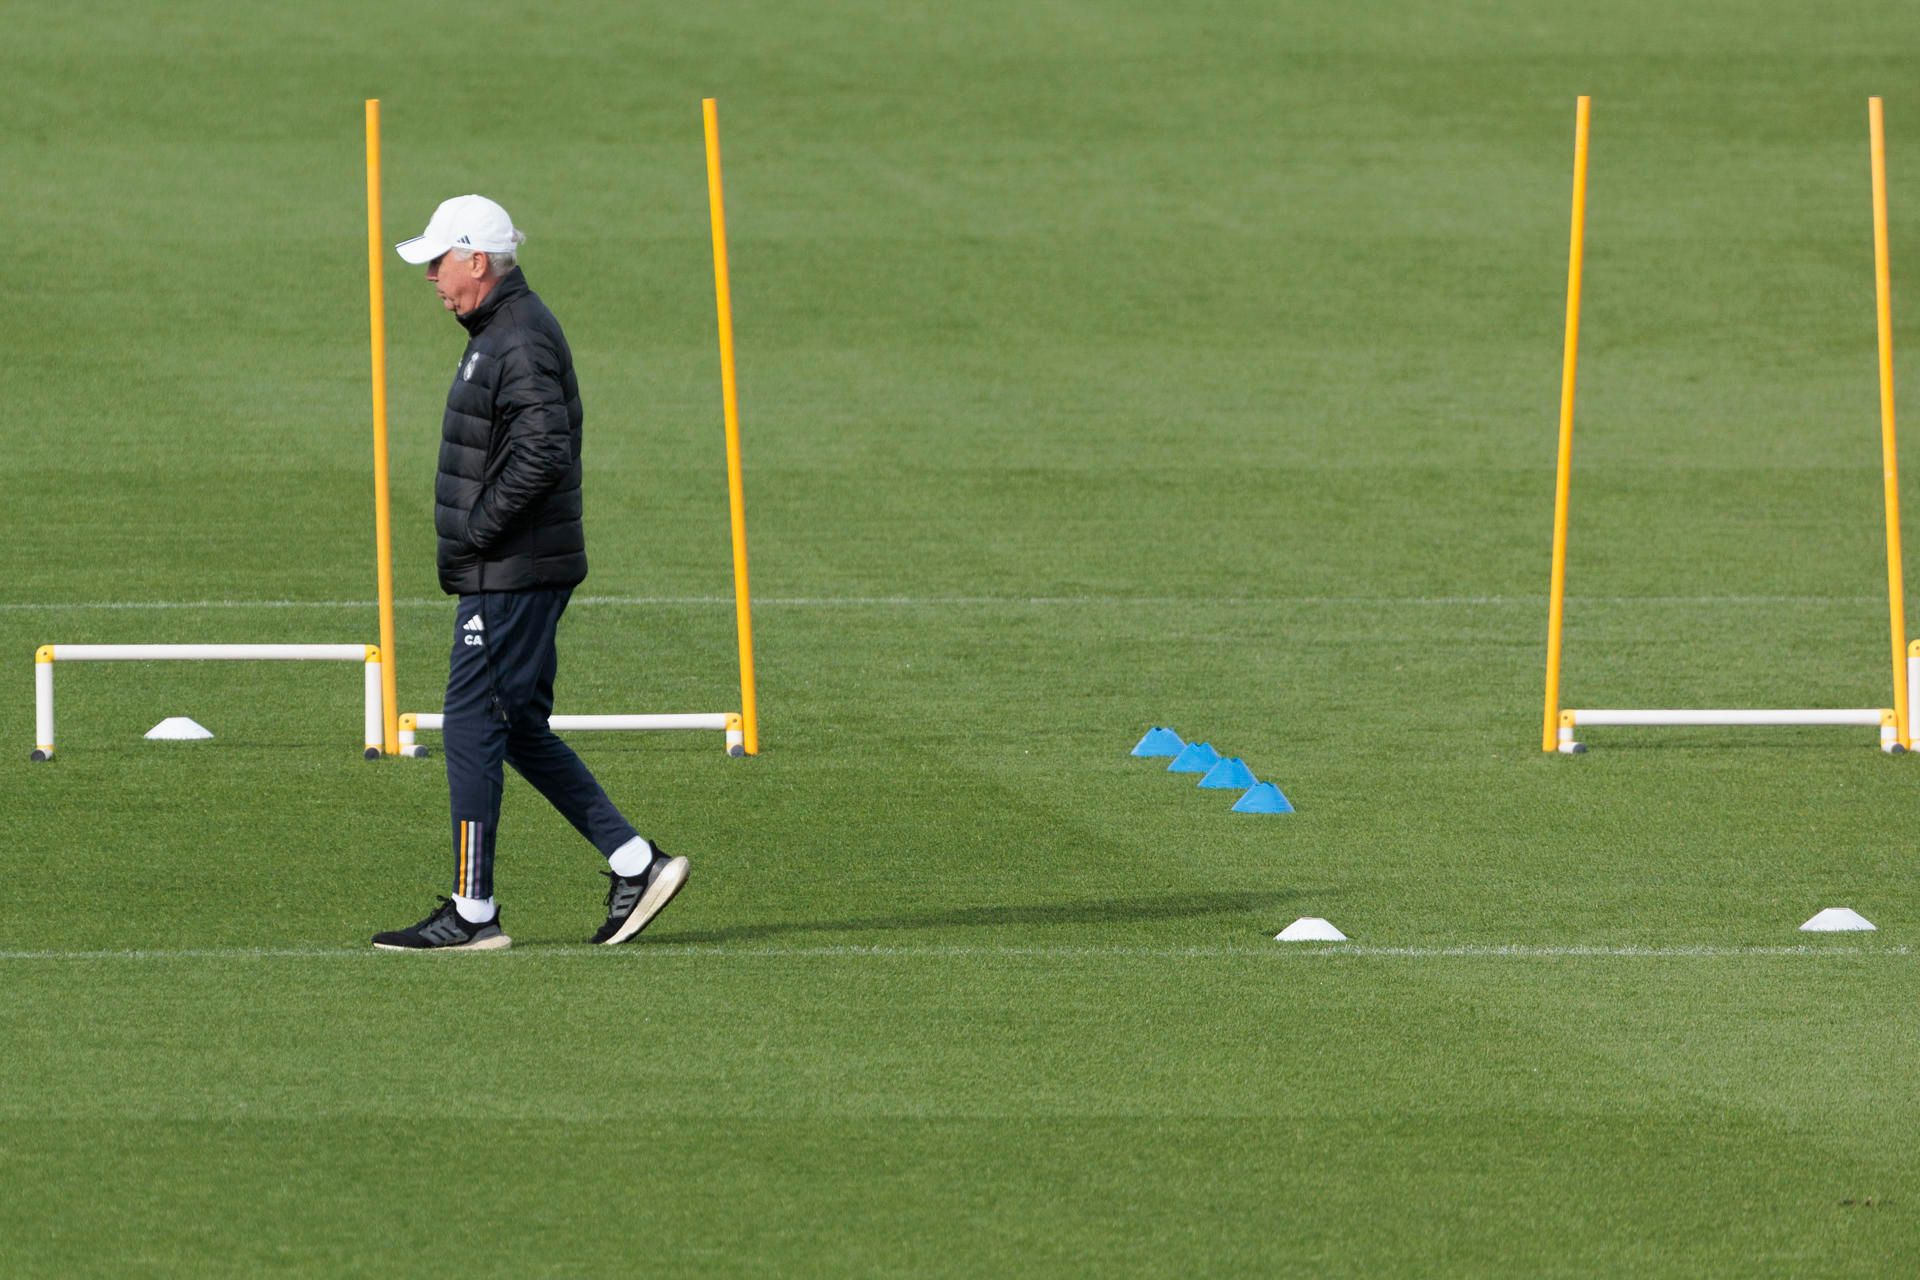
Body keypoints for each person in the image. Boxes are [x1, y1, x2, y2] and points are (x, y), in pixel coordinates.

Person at [372, 194, 687, 952]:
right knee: (514, 727)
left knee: (475, 724)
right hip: (512, 567)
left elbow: (543, 452)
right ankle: (634, 862)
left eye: (439, 263)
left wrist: (477, 532)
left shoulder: (514, 337)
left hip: (511, 571)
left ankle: (473, 912)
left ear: (477, 261)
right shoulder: (503, 330)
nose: (431, 280)